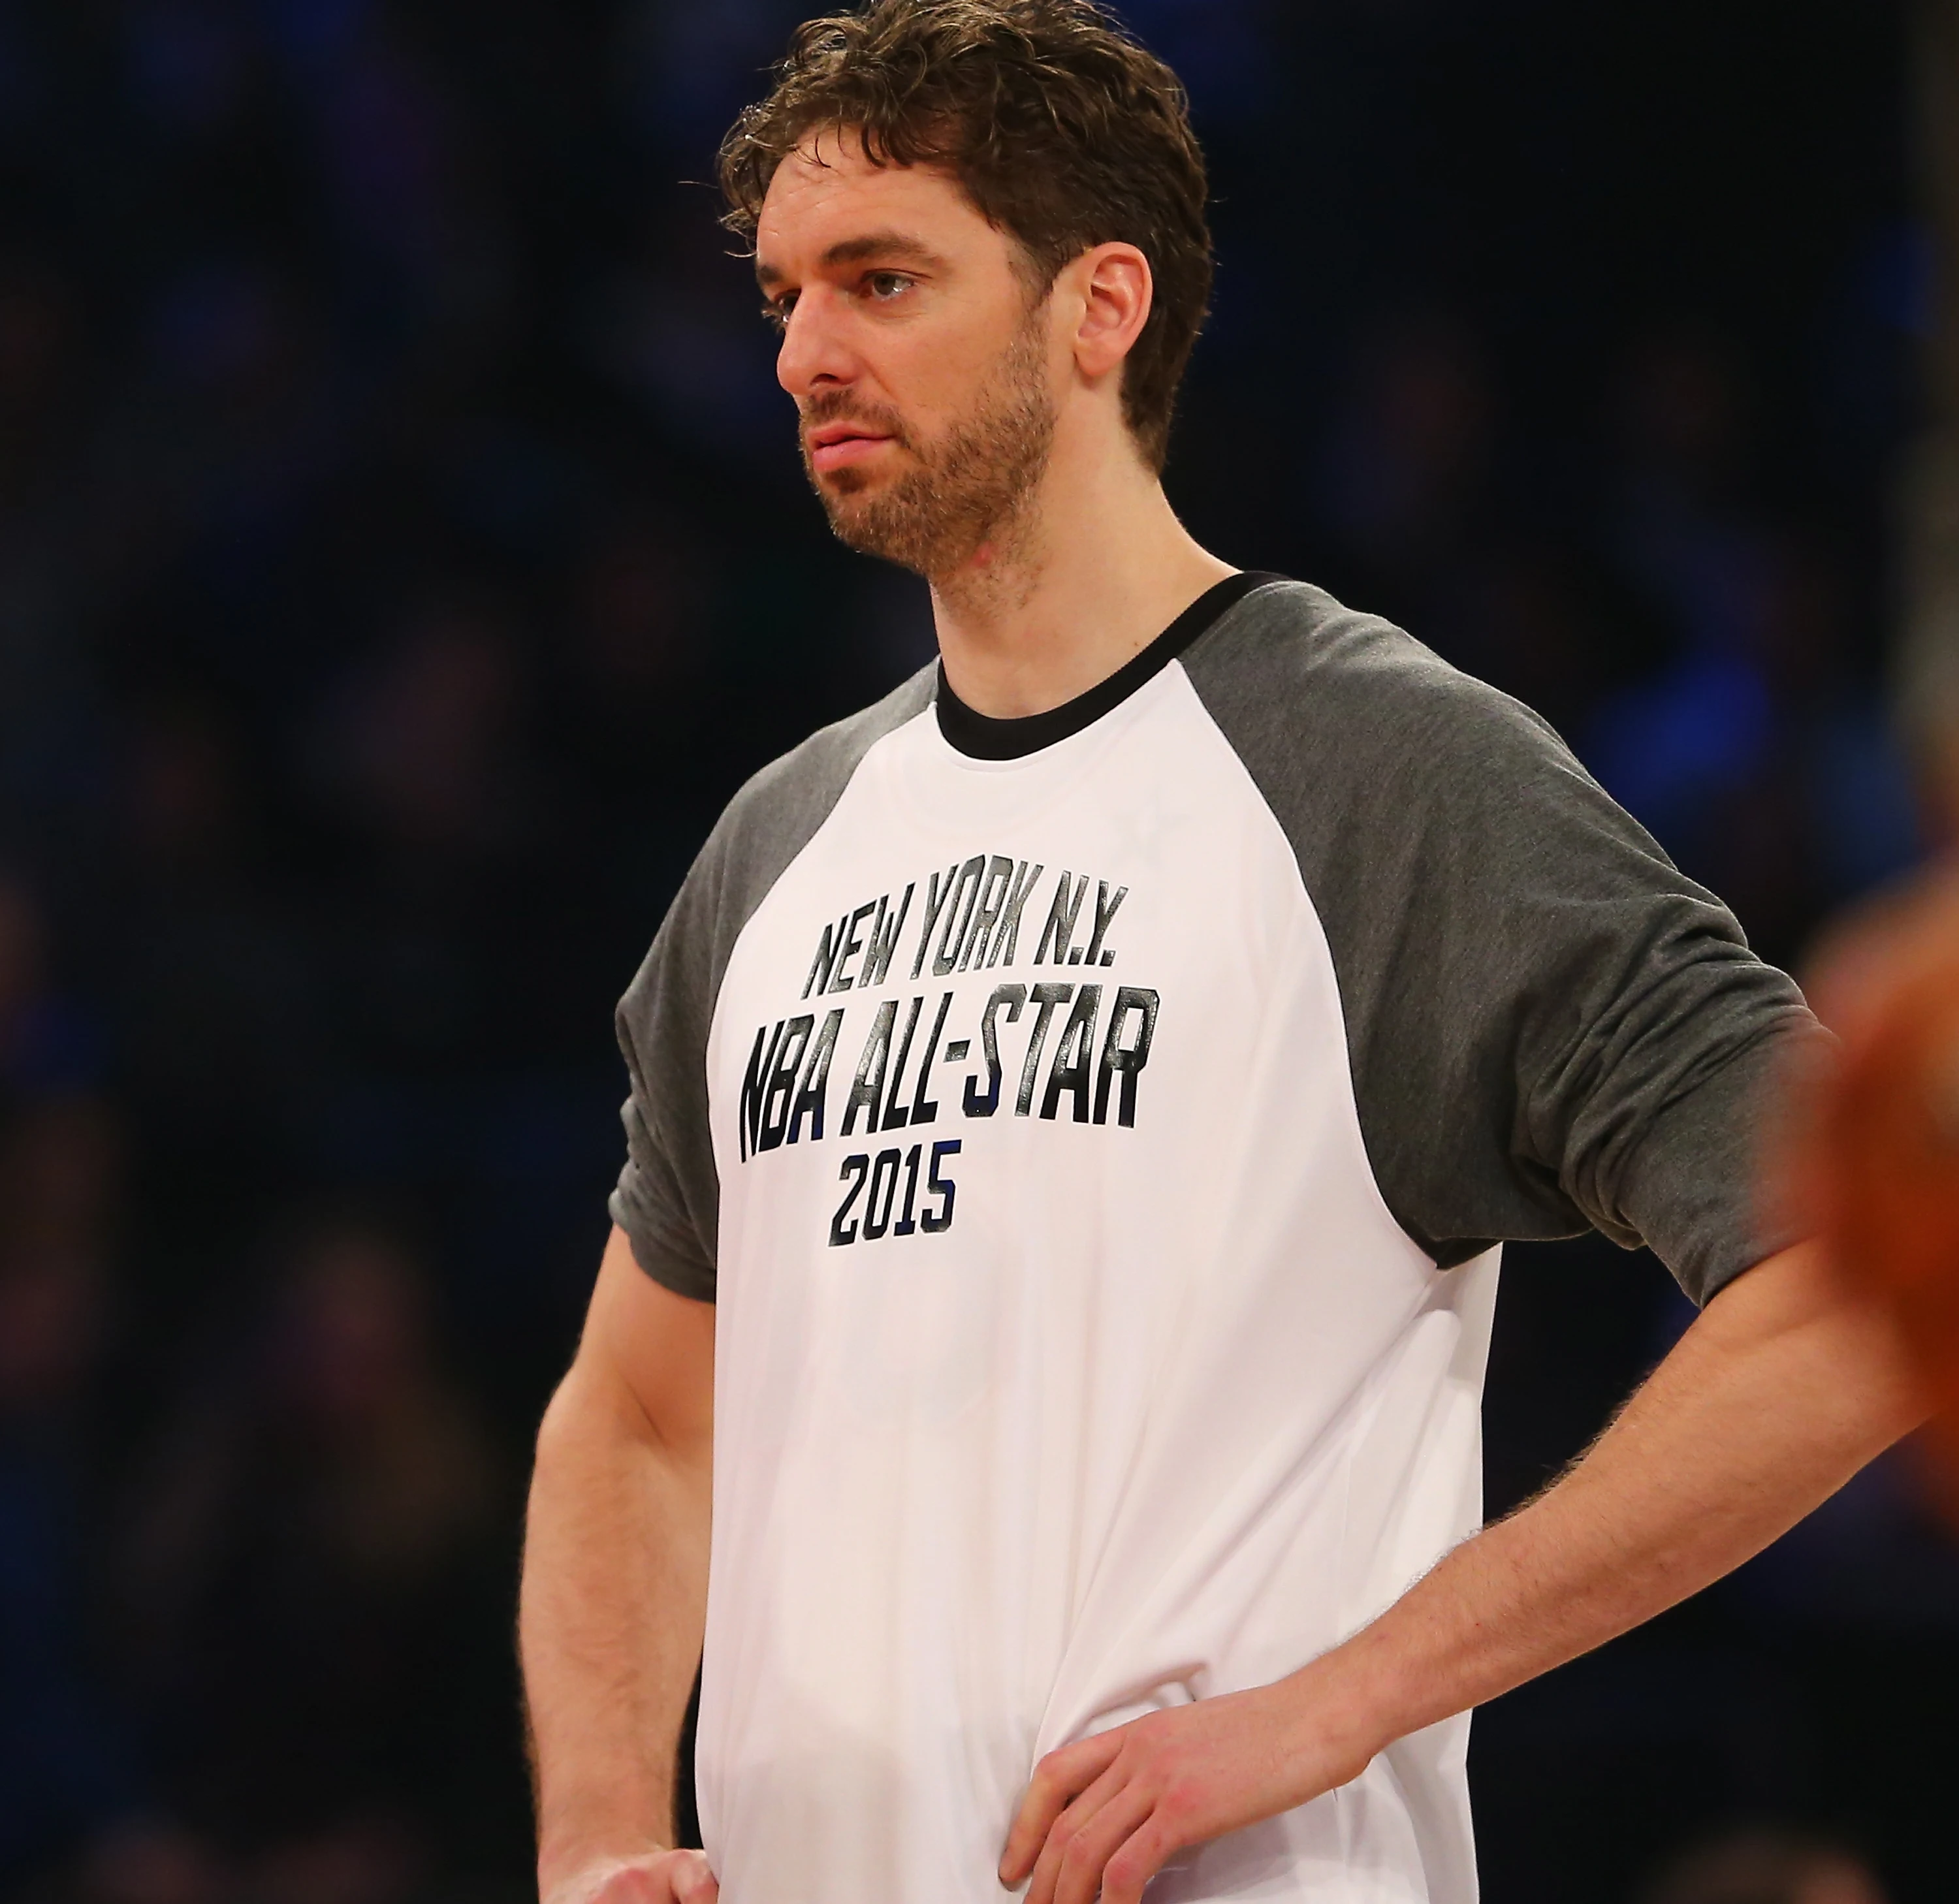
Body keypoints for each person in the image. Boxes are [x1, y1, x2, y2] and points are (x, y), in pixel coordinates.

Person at [515, 5, 1925, 1903]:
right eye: (782, 296)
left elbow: (1865, 1280)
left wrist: (1348, 1697)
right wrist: (602, 1829)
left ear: (1100, 308)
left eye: (881, 278)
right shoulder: (776, 852)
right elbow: (634, 1411)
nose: (804, 353)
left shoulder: (1381, 773)